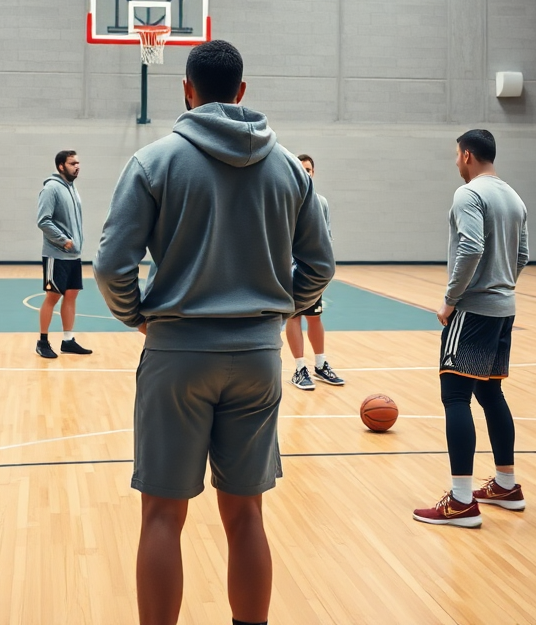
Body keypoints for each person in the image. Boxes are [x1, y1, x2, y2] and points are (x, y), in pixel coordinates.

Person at [94, 40, 335, 625]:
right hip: (258, 358)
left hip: (177, 356)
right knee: (246, 515)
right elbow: (321, 265)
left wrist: (136, 315)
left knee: (162, 516)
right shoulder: (289, 168)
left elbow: (109, 266)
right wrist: (281, 311)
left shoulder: (153, 162)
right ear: (242, 91)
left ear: (187, 90)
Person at [413, 129, 528, 529]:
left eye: (456, 155)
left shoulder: (469, 194)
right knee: (490, 392)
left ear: (466, 155)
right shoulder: (514, 197)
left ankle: (461, 501)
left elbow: (472, 247)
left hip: (474, 309)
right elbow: (523, 255)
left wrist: (451, 298)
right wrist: (502, 286)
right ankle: (506, 486)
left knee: (455, 395)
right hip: (504, 310)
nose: (455, 162)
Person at [286, 154, 344, 390]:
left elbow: (326, 237)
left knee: (315, 316)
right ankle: (299, 368)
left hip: (311, 270)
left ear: (313, 172)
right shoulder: (286, 199)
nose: (305, 173)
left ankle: (320, 364)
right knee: (293, 317)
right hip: (289, 270)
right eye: (301, 169)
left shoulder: (321, 202)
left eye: (308, 169)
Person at [36, 150, 92, 358]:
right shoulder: (51, 188)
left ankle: (68, 340)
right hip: (56, 254)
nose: (77, 166)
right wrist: (63, 240)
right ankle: (42, 342)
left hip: (73, 255)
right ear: (61, 166)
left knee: (71, 294)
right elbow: (43, 220)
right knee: (53, 296)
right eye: (72, 163)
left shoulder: (72, 188)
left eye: (78, 163)